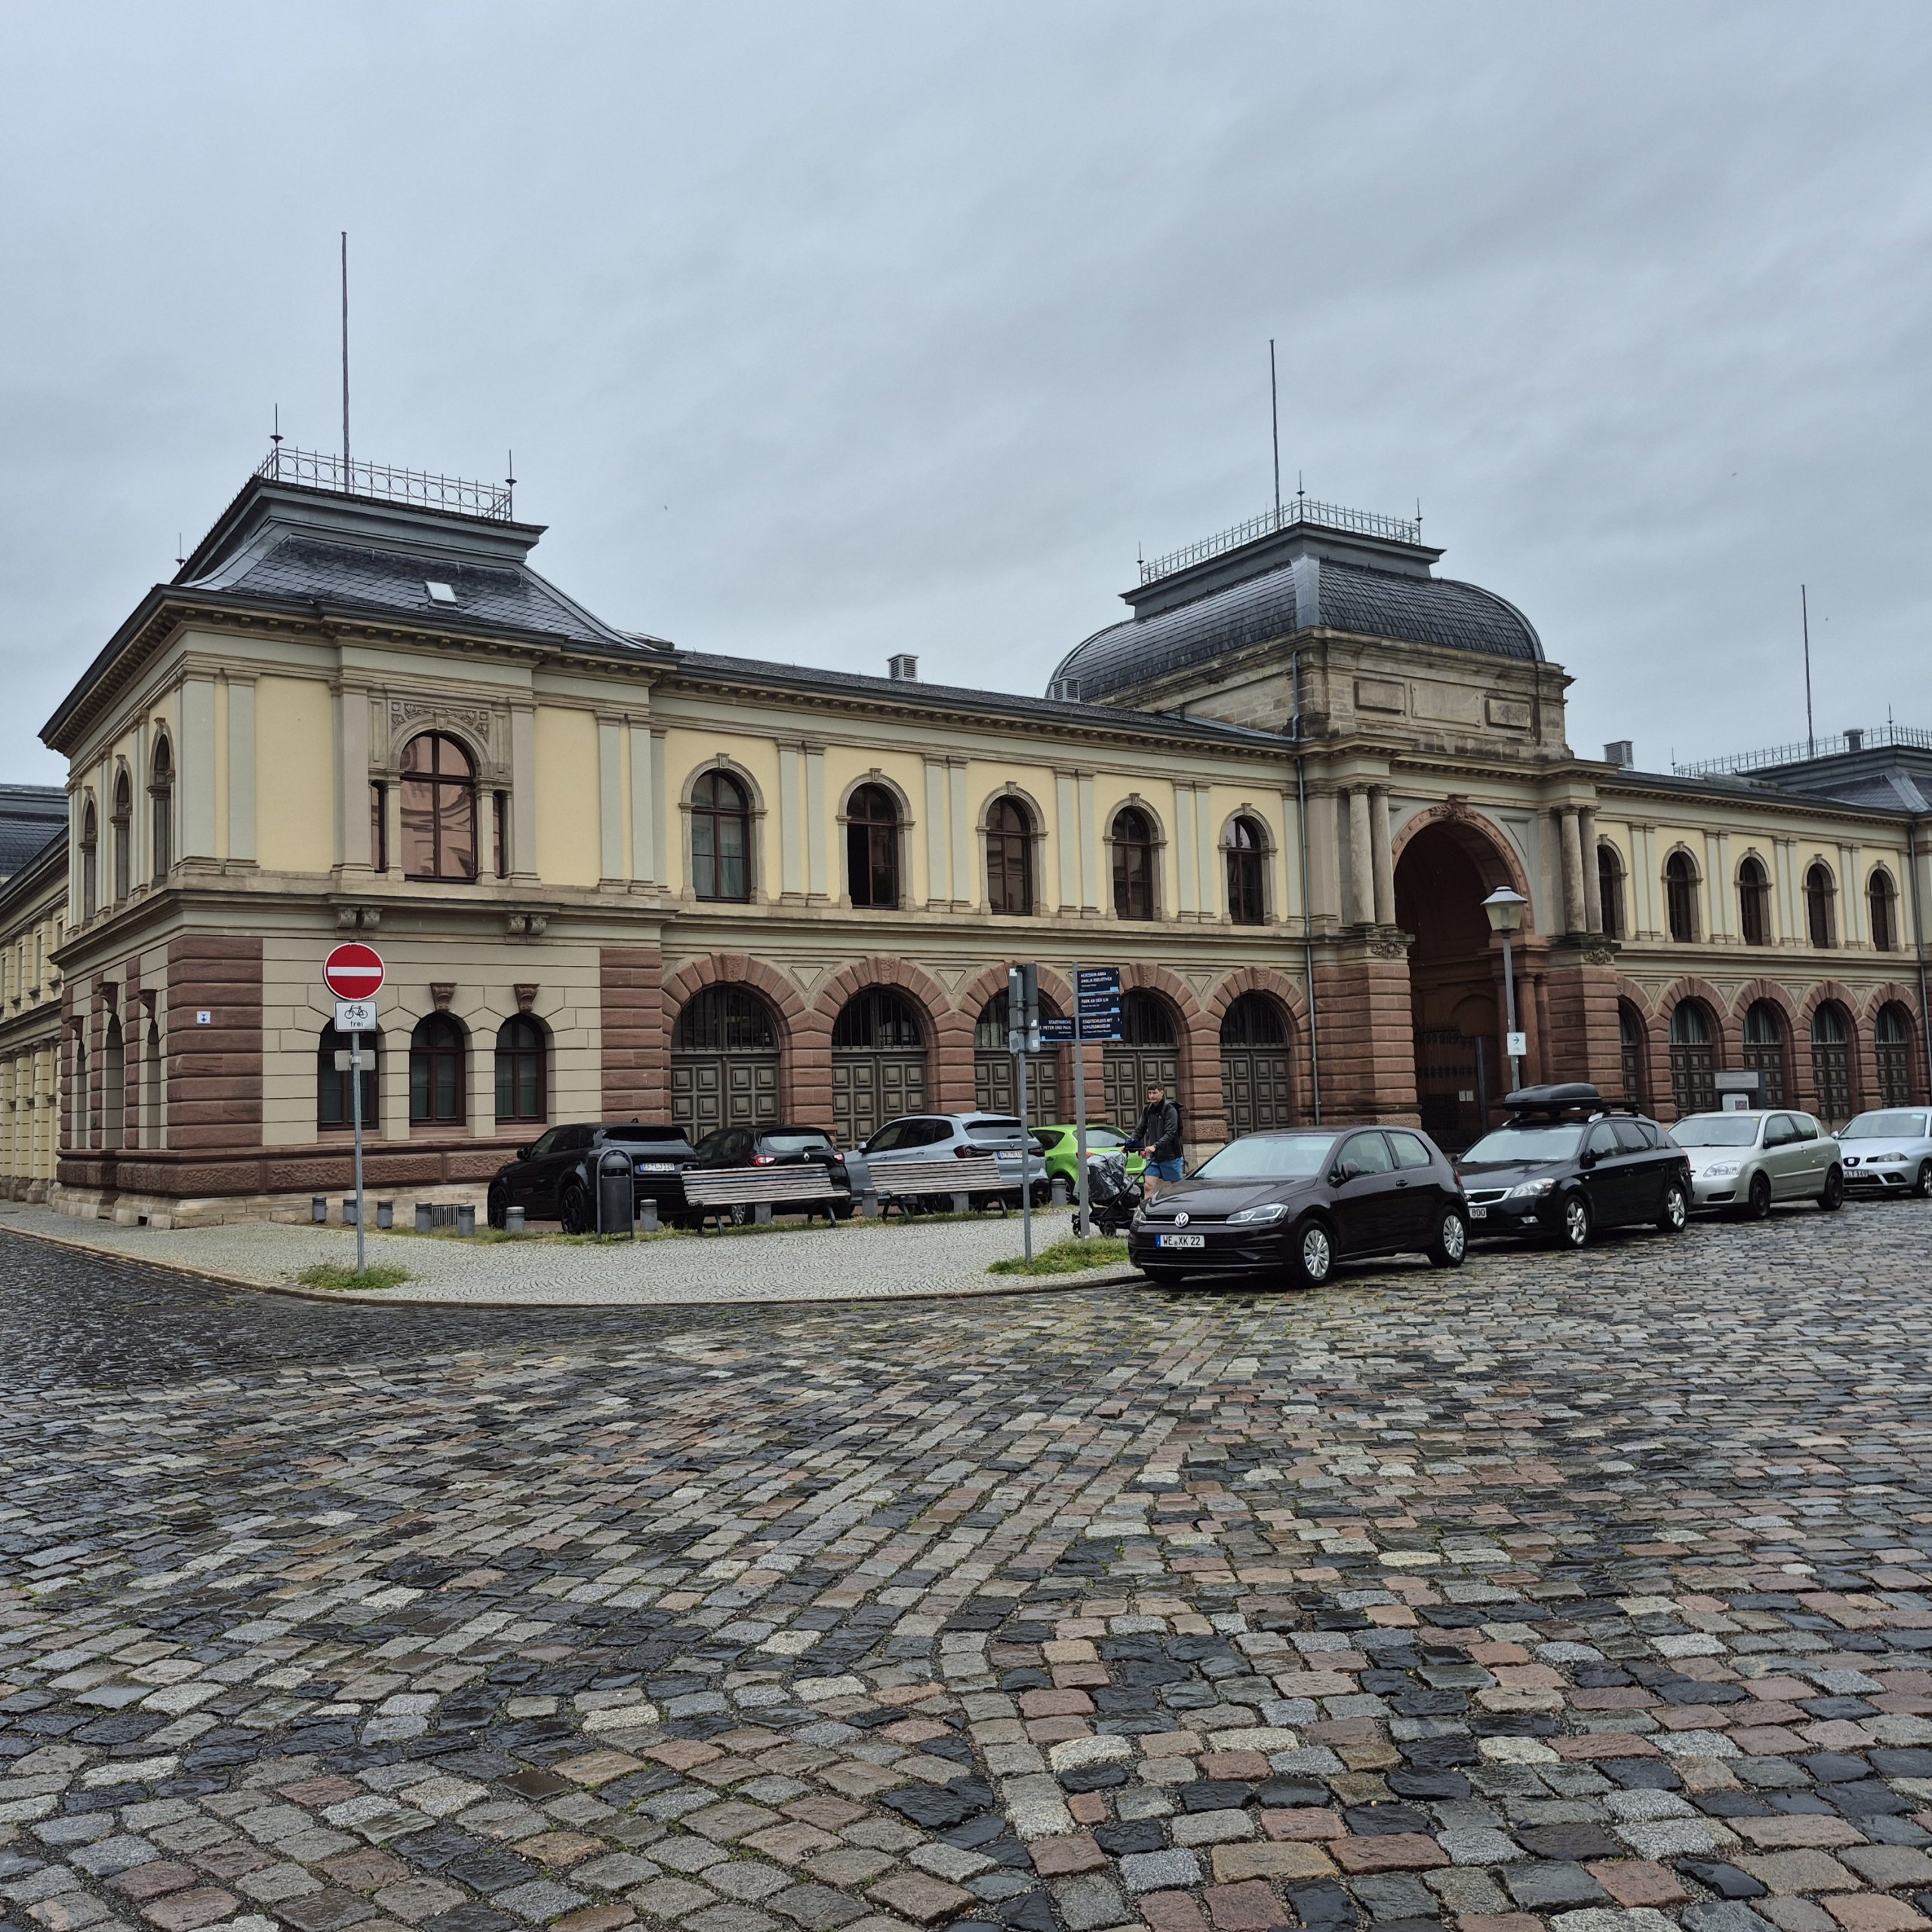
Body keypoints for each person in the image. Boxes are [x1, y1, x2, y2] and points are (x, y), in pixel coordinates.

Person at [1133, 1082, 1184, 1198]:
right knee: (1148, 1186)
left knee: (1176, 1188)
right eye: (1150, 1093)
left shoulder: (1170, 1110)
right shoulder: (1148, 1110)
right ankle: (1146, 1213)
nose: (1151, 1096)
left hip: (1171, 1156)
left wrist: (1155, 1146)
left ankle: (1177, 1211)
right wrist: (1129, 1143)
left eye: (1154, 1093)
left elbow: (1170, 1133)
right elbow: (1140, 1129)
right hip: (1154, 1158)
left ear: (1162, 1092)